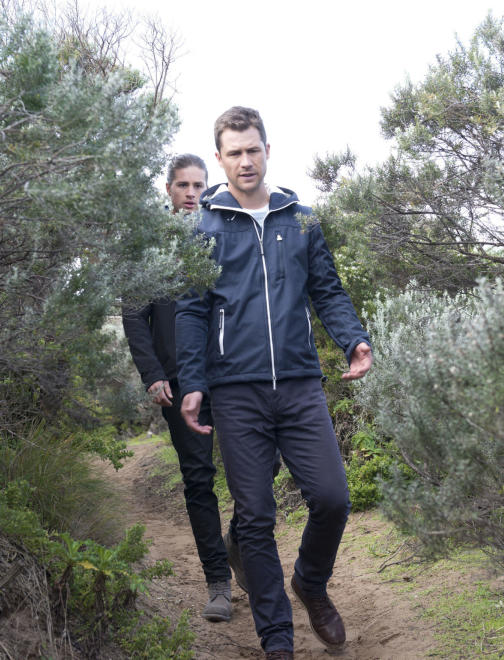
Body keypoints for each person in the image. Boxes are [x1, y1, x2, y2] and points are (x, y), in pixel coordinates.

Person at [176, 107, 373, 659]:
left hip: (300, 383)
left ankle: (310, 581)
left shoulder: (301, 220)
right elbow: (191, 311)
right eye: (234, 152)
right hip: (235, 390)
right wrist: (193, 381)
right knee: (256, 516)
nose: (245, 160)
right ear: (220, 158)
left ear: (267, 150)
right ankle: (278, 640)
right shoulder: (202, 227)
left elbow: (328, 291)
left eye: (253, 149)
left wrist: (353, 338)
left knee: (333, 498)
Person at [121, 154, 234, 622]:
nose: (191, 193)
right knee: (198, 478)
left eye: (199, 185)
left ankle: (240, 543)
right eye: (183, 185)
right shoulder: (149, 247)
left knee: (265, 461)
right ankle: (219, 584)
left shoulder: (222, 235)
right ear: (167, 189)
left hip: (233, 376)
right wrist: (152, 375)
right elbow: (133, 315)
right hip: (178, 384)